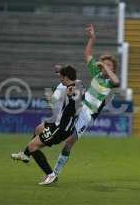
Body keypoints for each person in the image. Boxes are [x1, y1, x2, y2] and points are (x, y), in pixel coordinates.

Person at [40, 23, 120, 185]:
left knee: (68, 143)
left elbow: (117, 81)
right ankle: (39, 144)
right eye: (105, 64)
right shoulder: (97, 75)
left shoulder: (110, 82)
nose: (106, 66)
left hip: (87, 114)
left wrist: (105, 64)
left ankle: (54, 173)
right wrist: (92, 38)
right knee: (70, 93)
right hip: (78, 106)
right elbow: (88, 54)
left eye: (110, 65)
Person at [11, 65, 78, 185]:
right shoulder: (74, 86)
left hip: (60, 128)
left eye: (61, 77)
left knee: (33, 146)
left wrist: (67, 98)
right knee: (39, 129)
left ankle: (50, 175)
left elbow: (73, 109)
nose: (60, 80)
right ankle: (26, 155)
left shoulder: (72, 90)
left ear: (66, 78)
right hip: (58, 123)